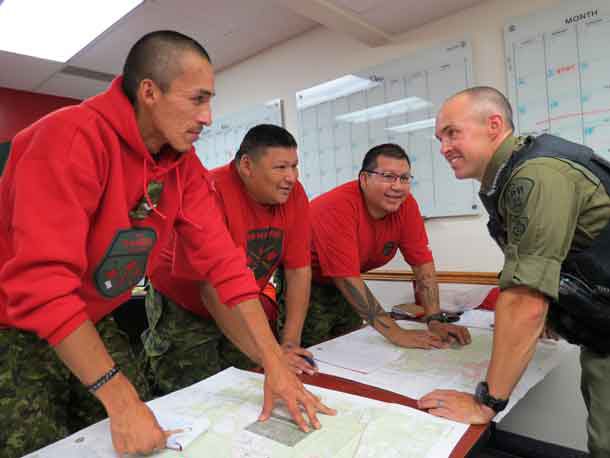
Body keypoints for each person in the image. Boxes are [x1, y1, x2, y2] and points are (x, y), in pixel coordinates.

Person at [0, 30, 331, 458]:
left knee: (139, 433)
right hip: (12, 325)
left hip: (89, 318)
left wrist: (274, 362)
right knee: (35, 440)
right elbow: (43, 286)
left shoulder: (182, 166)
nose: (209, 116)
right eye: (198, 99)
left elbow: (226, 266)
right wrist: (119, 400)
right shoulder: (69, 138)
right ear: (150, 92)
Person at [418, 86, 610, 458]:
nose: (443, 148)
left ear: (494, 125)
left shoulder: (535, 175)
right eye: (440, 138)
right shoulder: (517, 171)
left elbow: (524, 298)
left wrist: (487, 402)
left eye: (453, 132)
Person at [144, 123, 316, 396]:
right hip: (185, 301)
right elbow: (210, 288)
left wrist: (290, 344)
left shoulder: (293, 195)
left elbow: (298, 270)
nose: (291, 177)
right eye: (280, 168)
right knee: (193, 391)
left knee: (244, 387)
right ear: (247, 166)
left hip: (240, 300)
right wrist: (269, 359)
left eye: (294, 166)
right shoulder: (211, 190)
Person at [287, 143, 471, 349]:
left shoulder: (406, 205)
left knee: (350, 346)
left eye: (404, 178)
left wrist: (435, 320)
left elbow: (423, 266)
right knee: (311, 352)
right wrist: (396, 334)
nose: (398, 186)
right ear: (364, 179)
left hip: (347, 283)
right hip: (306, 283)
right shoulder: (336, 208)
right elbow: (347, 279)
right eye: (388, 176)